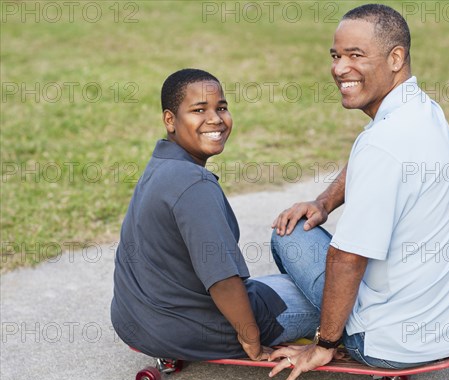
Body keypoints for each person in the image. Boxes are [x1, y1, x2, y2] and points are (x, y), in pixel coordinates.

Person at [268, 4, 449, 380]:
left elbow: (348, 258)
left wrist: (324, 344)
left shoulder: (382, 144)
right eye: (336, 56)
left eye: (356, 55)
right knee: (310, 227)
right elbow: (370, 162)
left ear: (395, 58)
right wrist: (324, 203)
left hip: (390, 343)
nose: (340, 68)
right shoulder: (424, 110)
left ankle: (332, 331)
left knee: (289, 235)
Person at [110, 69, 319, 362]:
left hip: (137, 321)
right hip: (192, 329)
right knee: (332, 299)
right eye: (199, 110)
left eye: (221, 108)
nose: (216, 119)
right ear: (170, 120)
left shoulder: (161, 163)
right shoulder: (194, 184)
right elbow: (223, 280)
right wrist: (252, 341)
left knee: (287, 284)